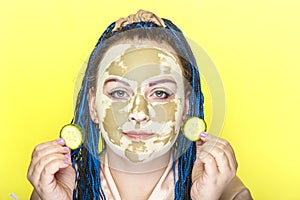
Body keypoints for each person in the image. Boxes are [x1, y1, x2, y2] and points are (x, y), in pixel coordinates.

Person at [27, 10, 252, 200]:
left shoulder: (227, 191)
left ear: (186, 107)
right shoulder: (56, 186)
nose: (138, 113)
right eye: (119, 92)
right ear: (93, 106)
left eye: (161, 93)